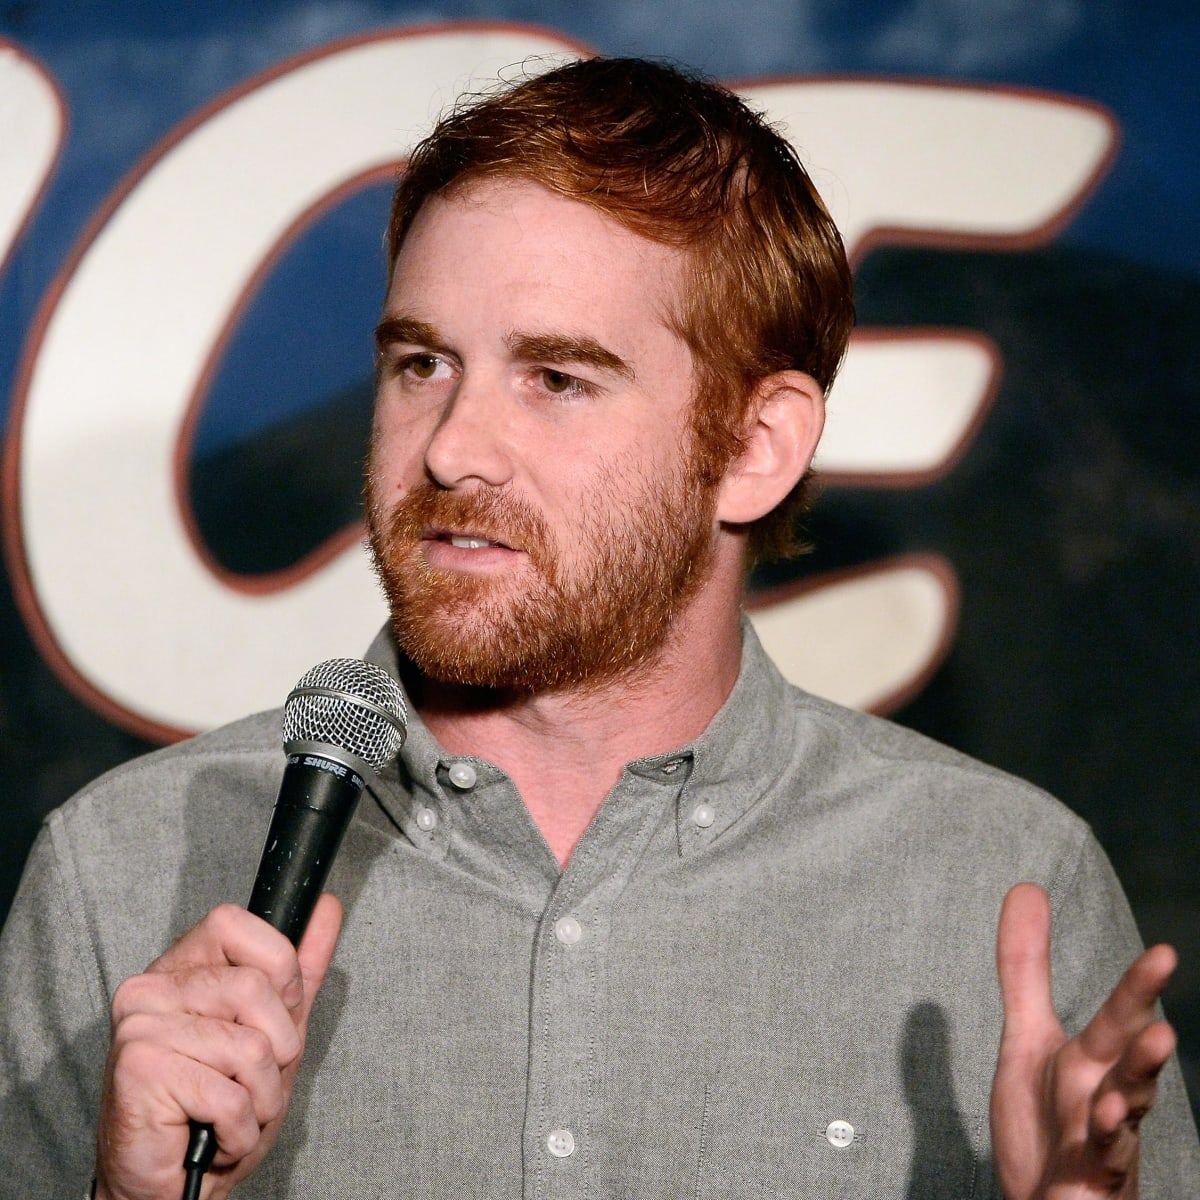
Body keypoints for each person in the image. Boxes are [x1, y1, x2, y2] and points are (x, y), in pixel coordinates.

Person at [0, 56, 1196, 1200]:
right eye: (421, 363)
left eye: (556, 379)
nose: (453, 447)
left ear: (754, 446)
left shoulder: (999, 889)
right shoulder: (119, 873)